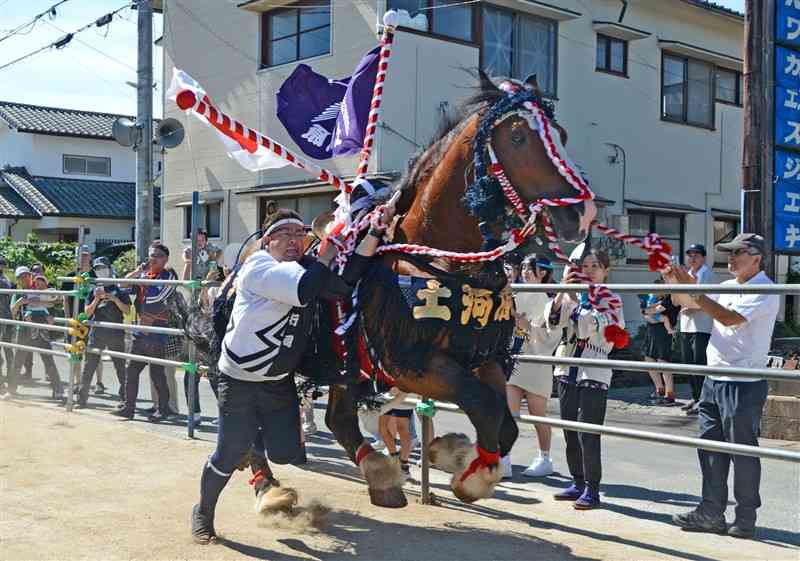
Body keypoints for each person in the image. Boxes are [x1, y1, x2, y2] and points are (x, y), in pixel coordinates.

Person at [191, 201, 396, 544]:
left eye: (299, 233)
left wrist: (373, 231)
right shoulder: (258, 266)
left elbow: (342, 285)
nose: (293, 240)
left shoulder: (306, 269)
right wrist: (329, 248)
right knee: (226, 455)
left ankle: (252, 446)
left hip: (276, 383)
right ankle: (202, 513)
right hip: (238, 382)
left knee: (287, 454)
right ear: (266, 242)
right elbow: (305, 289)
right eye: (282, 234)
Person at [668, 234, 779, 539]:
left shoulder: (766, 289)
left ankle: (745, 517)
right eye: (728, 253)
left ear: (757, 258)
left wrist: (694, 292)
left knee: (742, 453)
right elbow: (683, 302)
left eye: (738, 253)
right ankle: (710, 512)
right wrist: (675, 282)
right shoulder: (726, 286)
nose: (730, 259)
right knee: (711, 449)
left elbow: (729, 318)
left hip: (743, 382)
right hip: (713, 378)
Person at [548, 249, 623, 510]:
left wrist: (578, 305)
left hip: (593, 369)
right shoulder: (571, 294)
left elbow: (600, 329)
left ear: (605, 270)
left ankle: (593, 488)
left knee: (588, 432)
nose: (589, 270)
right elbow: (553, 322)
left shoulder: (611, 298)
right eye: (585, 266)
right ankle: (577, 481)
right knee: (569, 429)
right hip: (567, 366)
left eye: (595, 266)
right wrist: (561, 291)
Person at [501, 255, 559, 480]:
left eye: (530, 268)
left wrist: (529, 327)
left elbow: (554, 334)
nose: (524, 271)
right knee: (509, 413)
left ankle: (545, 457)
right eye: (523, 267)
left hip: (537, 361)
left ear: (542, 272)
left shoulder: (551, 299)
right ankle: (504, 457)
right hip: (514, 358)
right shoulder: (514, 293)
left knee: (538, 415)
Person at [111, 242, 178, 422]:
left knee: (157, 373)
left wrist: (142, 281)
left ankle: (164, 409)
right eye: (150, 255)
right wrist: (136, 273)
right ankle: (128, 407)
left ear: (165, 259)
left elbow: (157, 298)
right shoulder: (145, 274)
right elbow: (121, 286)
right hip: (140, 331)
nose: (152, 259)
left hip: (157, 331)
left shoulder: (169, 275)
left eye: (157, 255)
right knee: (131, 371)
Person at [75, 258, 131, 408]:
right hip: (97, 331)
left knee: (120, 366)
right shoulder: (94, 290)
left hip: (115, 332)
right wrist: (96, 300)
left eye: (103, 268)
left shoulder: (119, 288)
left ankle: (125, 399)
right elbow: (86, 314)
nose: (101, 271)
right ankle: (82, 399)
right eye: (97, 269)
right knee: (89, 366)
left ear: (109, 268)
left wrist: (113, 298)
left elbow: (127, 310)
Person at [9, 269, 63, 399]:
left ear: (31, 276)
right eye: (21, 277)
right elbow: (13, 312)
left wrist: (50, 315)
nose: (25, 279)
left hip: (41, 329)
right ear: (18, 280)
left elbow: (54, 302)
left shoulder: (40, 287)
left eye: (27, 276)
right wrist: (20, 303)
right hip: (24, 330)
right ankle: (12, 390)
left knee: (48, 359)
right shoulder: (18, 293)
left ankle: (58, 390)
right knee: (18, 361)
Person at [679, 244, 715, 416]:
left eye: (696, 255)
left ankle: (703, 399)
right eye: (690, 255)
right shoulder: (686, 275)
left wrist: (693, 307)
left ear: (703, 258)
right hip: (686, 325)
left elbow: (710, 300)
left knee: (700, 363)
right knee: (688, 363)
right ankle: (694, 396)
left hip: (702, 326)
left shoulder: (707, 275)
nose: (692, 258)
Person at [640, 277, 680, 406]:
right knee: (649, 359)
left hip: (664, 333)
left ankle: (670, 394)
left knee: (663, 361)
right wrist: (647, 314)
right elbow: (647, 315)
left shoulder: (671, 298)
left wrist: (645, 311)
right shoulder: (656, 298)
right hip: (652, 331)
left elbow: (655, 311)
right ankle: (659, 389)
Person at [378, 388, 415, 480]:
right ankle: (394, 460)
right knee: (383, 428)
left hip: (403, 393)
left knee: (402, 428)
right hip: (387, 394)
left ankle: (404, 465)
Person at [0, 258, 15, 394]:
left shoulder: (4, 281)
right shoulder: (5, 280)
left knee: (8, 350)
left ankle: (8, 380)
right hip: (5, 318)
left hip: (4, 318)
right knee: (7, 350)